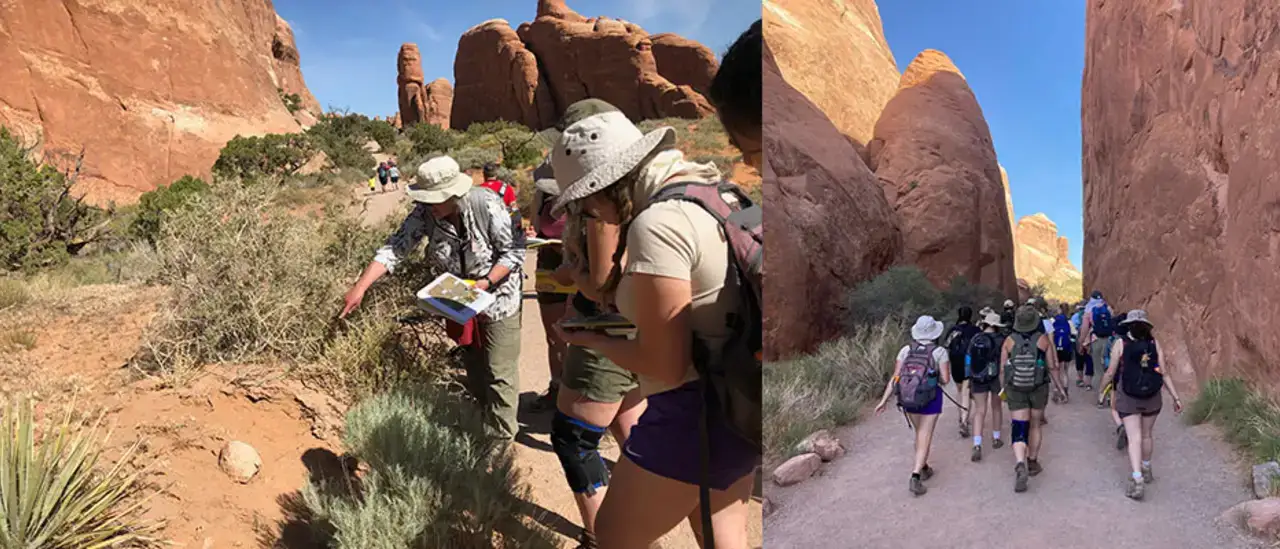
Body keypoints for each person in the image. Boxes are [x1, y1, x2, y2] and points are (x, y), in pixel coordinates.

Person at [548, 98, 759, 547]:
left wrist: (589, 338)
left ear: (610, 186)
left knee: (614, 536)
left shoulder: (658, 224)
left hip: (693, 415)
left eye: (587, 204)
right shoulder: (724, 193)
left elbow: (664, 365)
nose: (590, 215)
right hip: (744, 398)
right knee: (724, 533)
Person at [340, 155, 525, 445]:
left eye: (435, 199)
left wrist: (486, 283)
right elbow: (396, 248)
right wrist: (360, 287)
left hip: (499, 297)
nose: (430, 205)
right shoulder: (426, 213)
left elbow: (513, 252)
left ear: (454, 194)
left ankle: (501, 442)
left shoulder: (485, 204)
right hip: (460, 301)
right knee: (475, 368)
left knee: (499, 371)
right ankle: (481, 425)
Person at [535, 137, 647, 549]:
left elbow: (602, 286)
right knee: (633, 434)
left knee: (573, 440)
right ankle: (640, 523)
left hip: (604, 335)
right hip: (637, 331)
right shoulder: (645, 196)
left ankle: (605, 536)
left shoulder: (604, 210)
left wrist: (570, 276)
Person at [1097, 310, 1184, 500]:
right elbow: (1164, 372)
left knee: (1133, 437)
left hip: (1128, 396)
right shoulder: (1154, 343)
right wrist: (1176, 398)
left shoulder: (1121, 343)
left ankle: (1137, 478)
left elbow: (1111, 372)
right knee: (1146, 435)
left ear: (1128, 326)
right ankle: (1146, 466)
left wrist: (1101, 391)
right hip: (1152, 395)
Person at [875, 316, 950, 495]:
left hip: (908, 397)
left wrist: (883, 400)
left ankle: (923, 466)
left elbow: (896, 377)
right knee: (925, 434)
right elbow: (946, 380)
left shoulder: (905, 350)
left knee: (919, 433)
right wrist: (934, 376)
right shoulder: (939, 352)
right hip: (931, 398)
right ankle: (915, 475)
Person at [999, 305, 1066, 493]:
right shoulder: (1043, 340)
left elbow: (1003, 368)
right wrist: (1060, 388)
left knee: (1019, 425)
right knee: (1035, 424)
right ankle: (1033, 461)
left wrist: (1004, 388)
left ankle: (1020, 463)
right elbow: (1053, 366)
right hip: (1038, 387)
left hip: (1016, 389)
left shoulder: (1009, 341)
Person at [527, 157, 569, 412]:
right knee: (554, 335)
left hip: (581, 268)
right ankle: (557, 388)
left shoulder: (589, 198)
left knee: (584, 333)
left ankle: (582, 394)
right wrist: (534, 237)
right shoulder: (541, 197)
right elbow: (536, 226)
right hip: (549, 268)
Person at [967, 311, 1006, 461]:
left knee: (979, 411)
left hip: (977, 378)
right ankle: (996, 438)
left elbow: (969, 358)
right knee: (996, 407)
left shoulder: (975, 338)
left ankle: (977, 444)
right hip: (996, 378)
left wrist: (969, 377)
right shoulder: (1001, 339)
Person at [942, 306, 980, 438]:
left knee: (961, 391)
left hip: (956, 364)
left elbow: (946, 347)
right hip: (971, 364)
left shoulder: (953, 330)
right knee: (967, 391)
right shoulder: (975, 330)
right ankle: (964, 420)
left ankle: (962, 417)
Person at [1079, 290, 1115, 390]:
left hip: (1096, 340)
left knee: (1098, 368)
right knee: (1108, 365)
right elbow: (1112, 324)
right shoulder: (1108, 308)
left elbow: (1084, 328)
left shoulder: (1089, 309)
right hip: (1109, 341)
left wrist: (1081, 342)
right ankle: (1110, 392)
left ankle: (1102, 393)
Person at [1052, 303, 1078, 389]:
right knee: (1065, 370)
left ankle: (1057, 388)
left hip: (1055, 349)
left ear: (1059, 310)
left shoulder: (1053, 320)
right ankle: (1065, 388)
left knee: (1057, 370)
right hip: (1066, 349)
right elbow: (1074, 335)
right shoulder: (1069, 322)